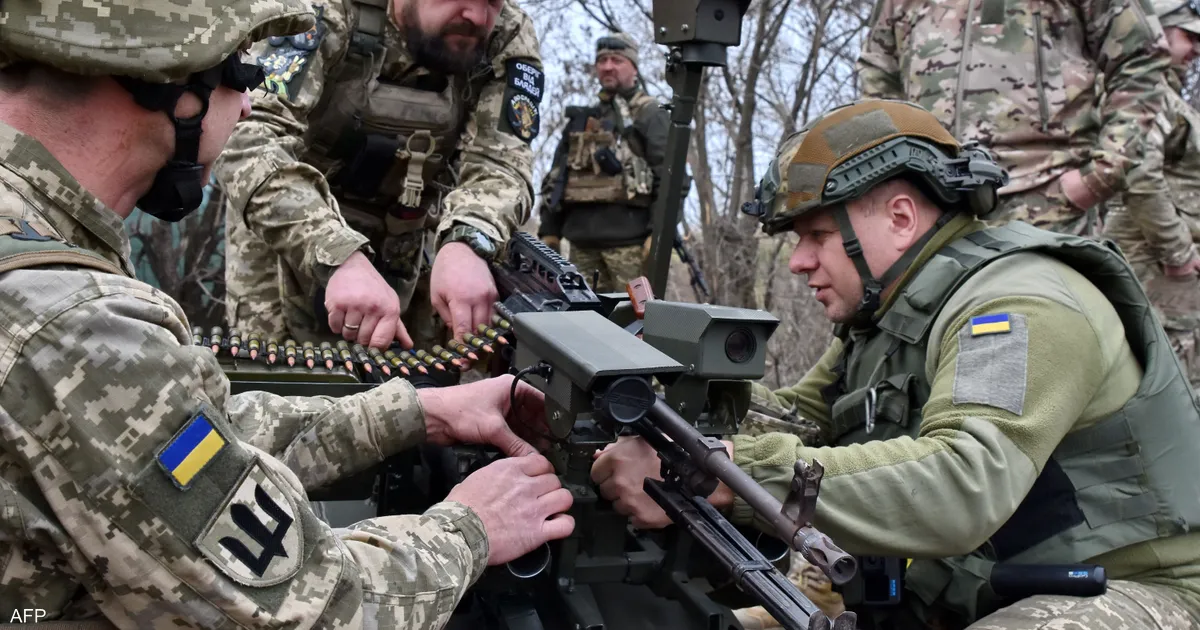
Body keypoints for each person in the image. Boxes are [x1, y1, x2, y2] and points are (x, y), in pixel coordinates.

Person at [0, 1, 572, 627]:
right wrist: (472, 528)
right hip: (291, 270)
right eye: (239, 74)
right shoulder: (79, 328)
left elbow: (180, 441)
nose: (248, 103)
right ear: (165, 78)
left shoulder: (35, 249)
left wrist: (416, 410)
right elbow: (310, 610)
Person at [593, 99, 1200, 629]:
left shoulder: (1017, 303)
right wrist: (662, 395)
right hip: (982, 590)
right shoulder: (891, 315)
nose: (798, 261)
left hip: (1134, 591)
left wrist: (724, 473)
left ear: (901, 219)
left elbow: (964, 482)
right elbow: (801, 423)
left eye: (816, 236)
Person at [215, 0, 544, 350]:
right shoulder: (326, 9)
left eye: (493, 1)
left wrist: (469, 239)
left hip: (411, 237)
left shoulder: (506, 32)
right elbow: (246, 138)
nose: (477, 17)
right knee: (283, 371)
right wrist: (337, 251)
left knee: (422, 375)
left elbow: (502, 161)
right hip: (288, 225)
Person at [857, 0, 1173, 237]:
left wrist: (1102, 174)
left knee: (1039, 308)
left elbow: (1141, 55)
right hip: (929, 198)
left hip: (1045, 197)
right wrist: (893, 170)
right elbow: (879, 67)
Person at [1104, 0, 1200, 389]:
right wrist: (1177, 252)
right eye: (1189, 36)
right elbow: (1139, 174)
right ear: (1158, 31)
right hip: (1156, 262)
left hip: (1164, 259)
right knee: (1173, 371)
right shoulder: (1149, 93)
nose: (1196, 48)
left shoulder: (1167, 90)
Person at [535, 32, 669, 293]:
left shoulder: (650, 115)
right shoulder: (583, 118)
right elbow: (558, 177)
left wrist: (659, 233)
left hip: (630, 247)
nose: (608, 66)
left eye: (616, 60)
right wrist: (549, 230)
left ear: (633, 67)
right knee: (582, 317)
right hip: (581, 247)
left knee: (634, 317)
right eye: (602, 60)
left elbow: (670, 179)